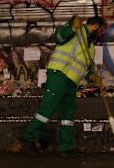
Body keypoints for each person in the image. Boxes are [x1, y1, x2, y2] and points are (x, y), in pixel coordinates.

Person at [20, 15, 106, 157]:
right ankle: (27, 138)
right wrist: (72, 27)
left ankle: (66, 147)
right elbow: (58, 37)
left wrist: (93, 77)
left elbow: (85, 68)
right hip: (59, 74)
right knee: (48, 106)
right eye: (102, 30)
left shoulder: (91, 46)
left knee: (67, 115)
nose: (103, 34)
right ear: (97, 26)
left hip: (71, 81)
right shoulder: (76, 29)